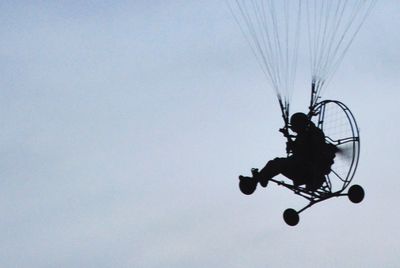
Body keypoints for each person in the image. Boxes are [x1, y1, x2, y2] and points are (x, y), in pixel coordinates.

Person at [253, 112, 335, 191]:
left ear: (300, 124)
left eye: (294, 126)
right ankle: (259, 178)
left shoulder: (313, 133)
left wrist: (291, 143)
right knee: (276, 163)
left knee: (277, 163)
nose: (293, 129)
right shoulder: (305, 133)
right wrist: (289, 139)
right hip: (302, 168)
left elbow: (306, 151)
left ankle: (259, 178)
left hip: (307, 169)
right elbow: (299, 149)